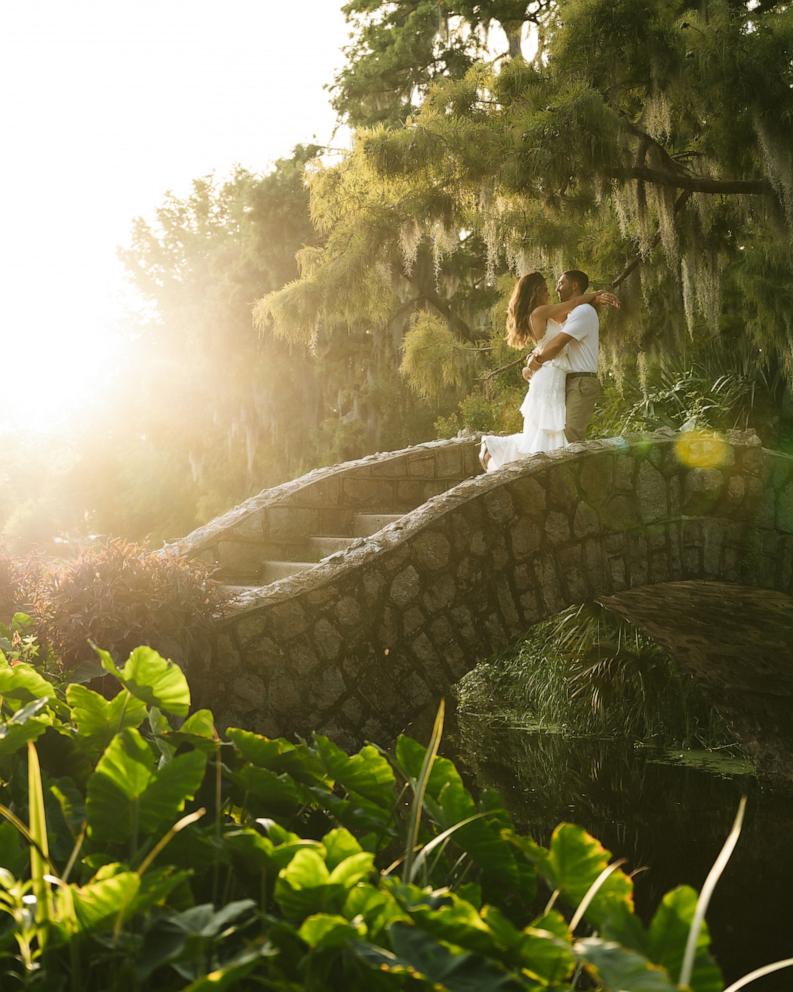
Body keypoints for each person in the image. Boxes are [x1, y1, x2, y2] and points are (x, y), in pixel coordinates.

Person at [479, 270, 619, 471]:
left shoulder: (560, 314)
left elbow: (552, 338)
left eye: (559, 284)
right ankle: (498, 450)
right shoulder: (541, 312)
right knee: (548, 430)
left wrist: (533, 360)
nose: (552, 290)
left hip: (558, 375)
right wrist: (596, 295)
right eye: (545, 289)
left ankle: (506, 454)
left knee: (550, 430)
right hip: (551, 375)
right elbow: (555, 339)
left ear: (574, 286)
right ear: (536, 292)